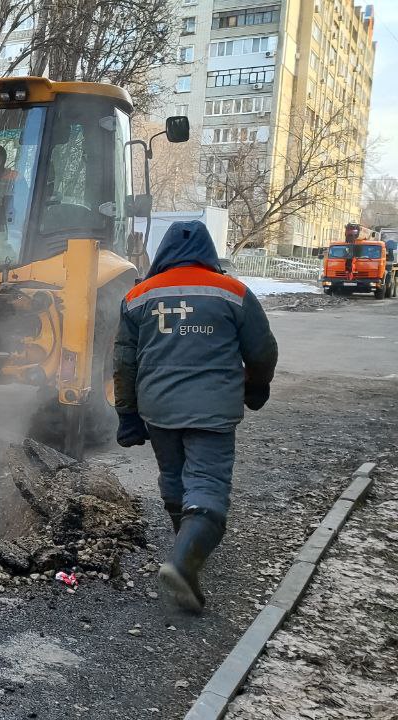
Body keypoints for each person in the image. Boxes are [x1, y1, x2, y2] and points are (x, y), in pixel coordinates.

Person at [112, 220, 278, 613]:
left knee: (173, 477)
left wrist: (127, 415)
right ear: (207, 251)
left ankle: (183, 548)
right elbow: (262, 350)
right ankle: (186, 558)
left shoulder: (138, 296)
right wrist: (256, 386)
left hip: (159, 407)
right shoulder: (234, 292)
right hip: (213, 408)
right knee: (207, 482)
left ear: (164, 252)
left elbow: (124, 363)